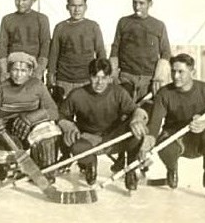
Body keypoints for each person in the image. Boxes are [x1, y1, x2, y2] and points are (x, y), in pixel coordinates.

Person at [58, 58, 149, 190]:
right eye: (95, 77)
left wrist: (137, 119)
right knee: (76, 146)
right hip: (89, 139)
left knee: (135, 130)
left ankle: (131, 168)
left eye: (104, 77)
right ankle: (90, 164)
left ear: (109, 78)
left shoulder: (118, 92)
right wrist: (68, 126)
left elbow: (136, 110)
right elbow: (61, 115)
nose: (99, 82)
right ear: (89, 76)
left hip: (113, 138)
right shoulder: (77, 94)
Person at [141, 53, 205, 196]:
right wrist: (146, 144)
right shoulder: (164, 93)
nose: (176, 76)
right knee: (164, 143)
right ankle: (172, 170)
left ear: (192, 72)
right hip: (174, 138)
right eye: (173, 71)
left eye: (181, 72)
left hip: (198, 140)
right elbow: (155, 124)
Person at [108, 0, 172, 172]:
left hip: (147, 80)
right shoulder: (124, 22)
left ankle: (140, 157)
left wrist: (159, 76)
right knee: (123, 115)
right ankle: (121, 157)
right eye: (135, 2)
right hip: (126, 76)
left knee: (145, 116)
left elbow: (166, 52)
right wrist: (113, 73)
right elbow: (115, 47)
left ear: (150, 4)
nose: (137, 6)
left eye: (142, 3)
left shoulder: (158, 25)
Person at [0, 52, 61, 182]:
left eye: (23, 70)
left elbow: (53, 110)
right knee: (5, 175)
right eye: (15, 69)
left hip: (29, 131)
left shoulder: (37, 85)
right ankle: (4, 166)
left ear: (30, 71)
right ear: (9, 70)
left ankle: (46, 171)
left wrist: (30, 118)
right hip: (8, 135)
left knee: (48, 130)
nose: (18, 74)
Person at [48, 0, 106, 101]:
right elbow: (54, 53)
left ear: (85, 7)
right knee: (63, 113)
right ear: (67, 7)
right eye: (73, 5)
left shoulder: (93, 26)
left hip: (86, 79)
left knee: (85, 113)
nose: (77, 9)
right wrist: (50, 75)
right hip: (64, 80)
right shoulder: (60, 27)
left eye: (80, 5)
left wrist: (101, 76)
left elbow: (101, 52)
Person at [0, 0, 50, 83]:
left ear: (33, 0)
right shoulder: (7, 19)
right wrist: (3, 72)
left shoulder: (41, 19)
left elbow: (45, 45)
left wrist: (38, 72)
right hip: (13, 70)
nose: (20, 3)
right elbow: (2, 47)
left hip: (33, 70)